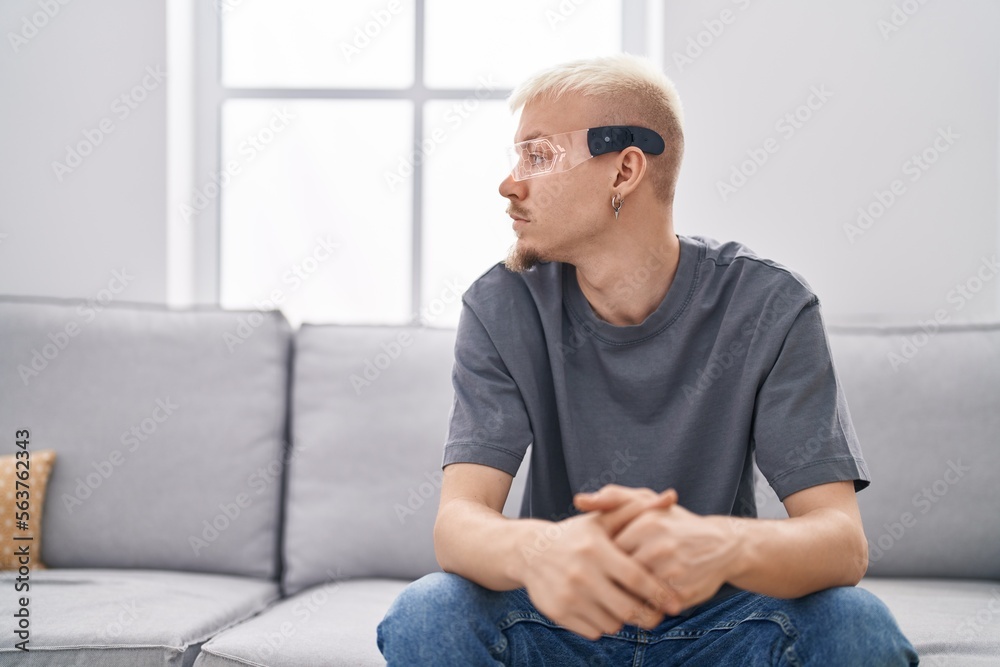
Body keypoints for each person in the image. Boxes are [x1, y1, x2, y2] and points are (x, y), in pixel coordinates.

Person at [377, 54, 918, 666]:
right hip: (558, 623)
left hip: (721, 627)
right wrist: (541, 552)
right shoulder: (501, 305)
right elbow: (458, 524)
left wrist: (722, 545)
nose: (510, 183)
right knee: (427, 614)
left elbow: (842, 543)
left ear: (625, 169)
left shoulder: (770, 306)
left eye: (538, 155)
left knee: (856, 625)